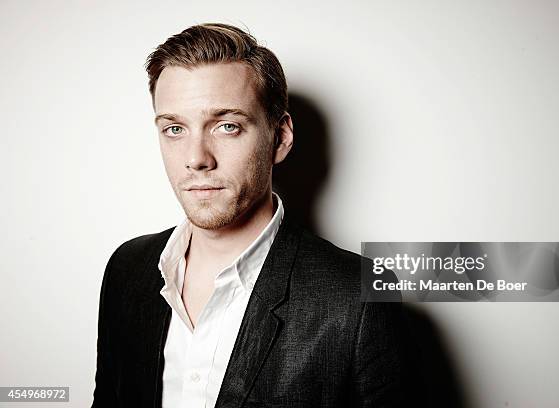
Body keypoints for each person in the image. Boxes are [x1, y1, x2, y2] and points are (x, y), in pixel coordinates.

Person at [92, 23, 424, 408]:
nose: (196, 158)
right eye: (175, 128)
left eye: (227, 126)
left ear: (280, 138)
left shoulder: (359, 295)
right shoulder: (127, 268)